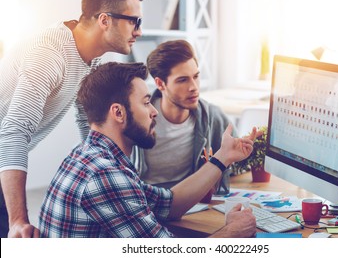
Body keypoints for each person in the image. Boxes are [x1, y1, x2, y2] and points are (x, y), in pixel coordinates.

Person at [39, 62, 257, 238]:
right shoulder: (105, 175)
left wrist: (223, 157)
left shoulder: (90, 156)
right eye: (145, 103)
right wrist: (232, 233)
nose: (154, 112)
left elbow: (169, 204)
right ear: (118, 113)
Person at [0, 0, 144, 238]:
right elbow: (13, 134)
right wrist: (19, 221)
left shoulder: (91, 55)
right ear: (105, 20)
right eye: (134, 21)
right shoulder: (49, 54)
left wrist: (110, 174)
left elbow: (86, 120)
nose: (139, 31)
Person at [131, 40, 236, 191]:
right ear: (160, 84)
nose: (193, 87)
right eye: (182, 80)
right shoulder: (140, 118)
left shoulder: (213, 116)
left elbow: (239, 166)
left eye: (196, 76)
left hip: (193, 202)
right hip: (148, 202)